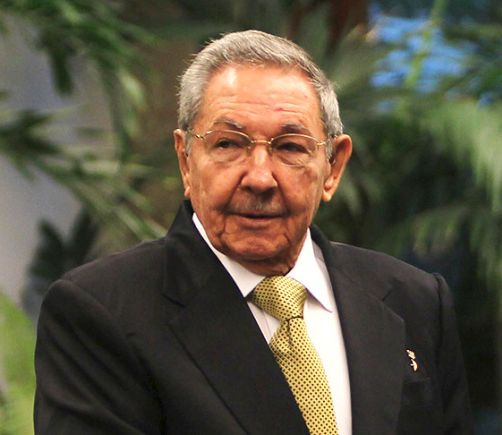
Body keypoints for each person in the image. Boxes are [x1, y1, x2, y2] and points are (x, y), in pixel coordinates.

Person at [34, 30, 472, 435]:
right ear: (186, 160)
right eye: (228, 144)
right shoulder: (101, 313)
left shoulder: (414, 301)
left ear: (333, 167)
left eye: (290, 147)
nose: (259, 178)